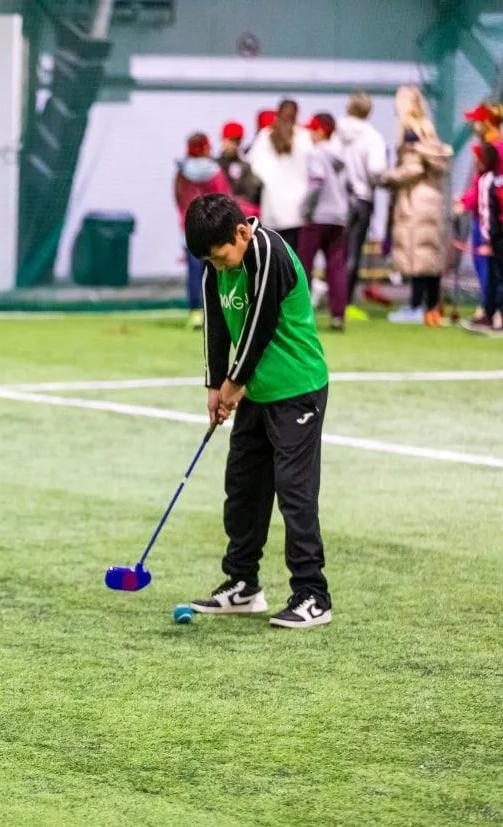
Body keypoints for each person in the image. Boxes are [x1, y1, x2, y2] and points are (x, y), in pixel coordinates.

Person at [184, 194, 332, 629]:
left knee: (294, 491)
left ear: (241, 233)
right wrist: (215, 385)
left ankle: (313, 595)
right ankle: (243, 585)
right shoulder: (216, 265)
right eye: (210, 262)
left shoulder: (268, 250)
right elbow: (215, 322)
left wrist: (234, 382)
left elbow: (260, 322)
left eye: (222, 256)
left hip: (296, 388)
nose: (219, 266)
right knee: (243, 486)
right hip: (255, 392)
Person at [379, 86, 452, 326]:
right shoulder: (428, 129)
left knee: (417, 256)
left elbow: (413, 168)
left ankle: (415, 307)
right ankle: (431, 307)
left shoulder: (411, 131)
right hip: (433, 198)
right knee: (429, 256)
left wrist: (388, 177)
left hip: (415, 201)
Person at [335, 90, 388, 319]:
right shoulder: (372, 137)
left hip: (337, 199)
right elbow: (376, 170)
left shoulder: (336, 133)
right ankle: (345, 303)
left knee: (335, 252)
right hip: (361, 199)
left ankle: (332, 299)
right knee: (353, 253)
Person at [298, 113, 351, 330]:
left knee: (303, 266)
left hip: (318, 216)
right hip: (338, 216)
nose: (310, 133)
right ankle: (338, 315)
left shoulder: (317, 153)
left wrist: (305, 209)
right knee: (336, 268)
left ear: (320, 131)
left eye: (312, 129)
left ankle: (301, 316)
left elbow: (316, 183)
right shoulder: (341, 154)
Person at [175, 133, 231, 329]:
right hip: (214, 229)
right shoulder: (215, 172)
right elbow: (224, 199)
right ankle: (218, 312)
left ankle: (195, 312)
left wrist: (185, 220)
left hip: (190, 229)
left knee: (194, 273)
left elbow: (179, 199)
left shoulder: (182, 172)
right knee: (217, 271)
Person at [454, 102, 503, 326]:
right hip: (484, 216)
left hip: (490, 220)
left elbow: (486, 189)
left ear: (486, 123)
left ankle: (491, 310)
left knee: (490, 267)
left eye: (476, 121)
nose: (473, 125)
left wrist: (466, 203)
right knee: (487, 266)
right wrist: (465, 200)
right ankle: (488, 309)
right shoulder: (487, 146)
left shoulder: (495, 149)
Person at [247, 99, 312, 250]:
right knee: (295, 260)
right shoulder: (305, 137)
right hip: (298, 212)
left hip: (272, 209)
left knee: (275, 259)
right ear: (297, 115)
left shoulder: (265, 136)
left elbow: (252, 167)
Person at [475, 143, 503, 331]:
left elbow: (488, 213)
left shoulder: (487, 181)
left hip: (496, 237)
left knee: (497, 277)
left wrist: (490, 240)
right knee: (494, 278)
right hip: (497, 235)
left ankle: (496, 314)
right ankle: (490, 313)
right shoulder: (496, 180)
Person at [217, 122, 260, 218]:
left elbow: (251, 193)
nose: (234, 144)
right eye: (231, 140)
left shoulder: (245, 166)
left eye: (238, 141)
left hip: (240, 215)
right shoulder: (214, 166)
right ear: (223, 139)